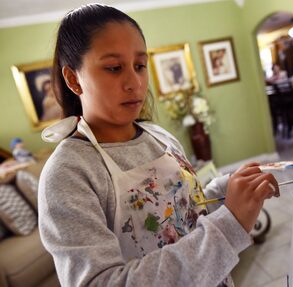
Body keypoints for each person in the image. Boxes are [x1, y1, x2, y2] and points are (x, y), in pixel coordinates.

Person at [38, 4, 279, 287]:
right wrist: (230, 226)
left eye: (140, 65)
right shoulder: (68, 174)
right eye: (114, 68)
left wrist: (229, 190)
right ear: (73, 79)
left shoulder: (158, 136)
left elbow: (187, 213)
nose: (134, 82)